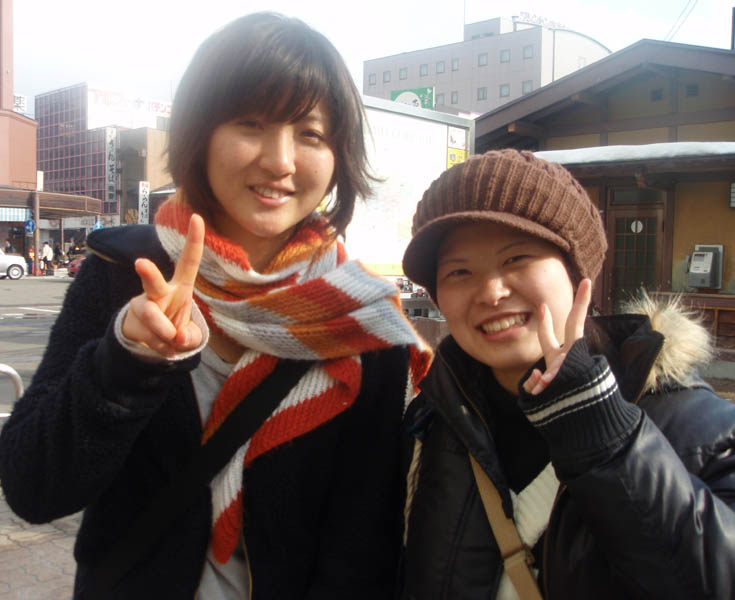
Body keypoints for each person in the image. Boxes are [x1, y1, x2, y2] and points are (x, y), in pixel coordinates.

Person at [0, 13, 431, 599]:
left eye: (310, 134)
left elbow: (362, 554)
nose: (280, 161)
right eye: (251, 123)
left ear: (338, 155)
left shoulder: (363, 323)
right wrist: (126, 362)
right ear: (201, 134)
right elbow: (33, 488)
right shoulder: (124, 276)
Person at [398, 149, 735, 599]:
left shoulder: (702, 431)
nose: (491, 292)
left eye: (517, 259)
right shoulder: (432, 425)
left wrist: (604, 436)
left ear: (578, 277)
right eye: (459, 271)